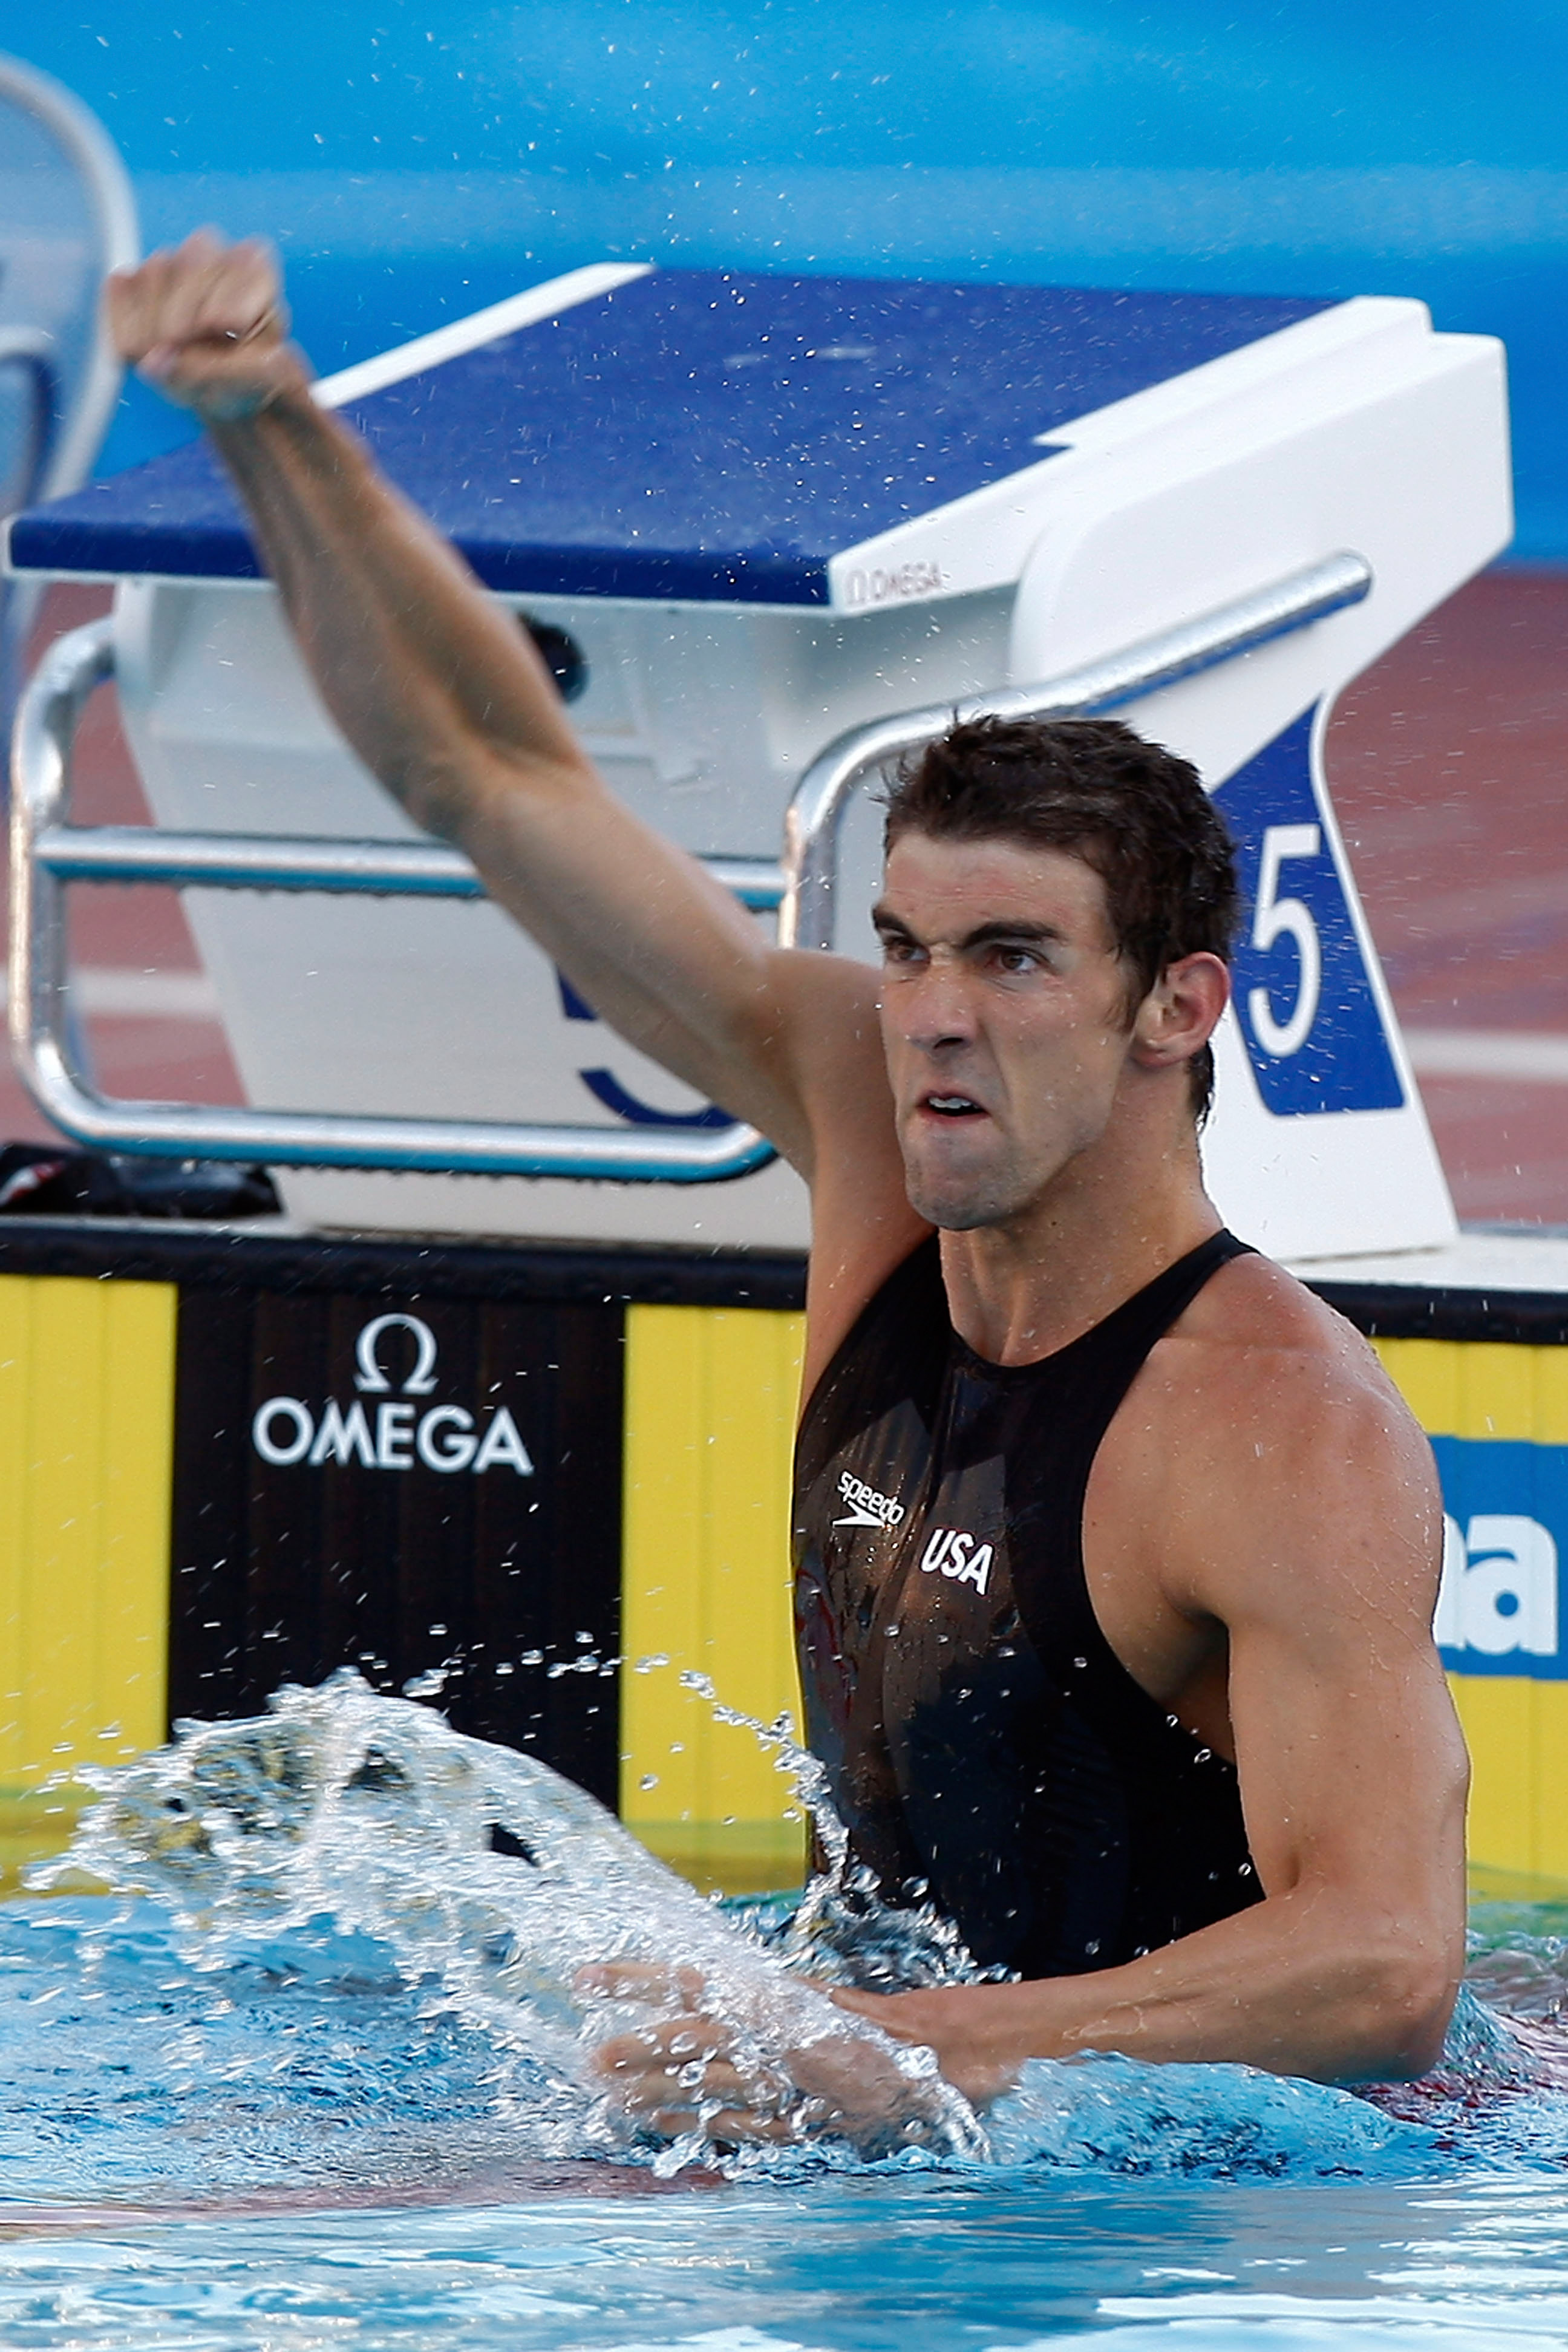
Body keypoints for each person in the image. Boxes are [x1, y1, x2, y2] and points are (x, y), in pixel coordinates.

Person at [106, 232, 1469, 2143]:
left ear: (1178, 1006)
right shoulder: (873, 1131)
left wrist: (897, 2048)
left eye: (1012, 959)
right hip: (906, 2094)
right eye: (907, 948)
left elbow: (1388, 1973)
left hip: (1192, 2193)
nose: (931, 1015)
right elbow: (489, 776)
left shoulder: (1279, 1429)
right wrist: (275, 427)